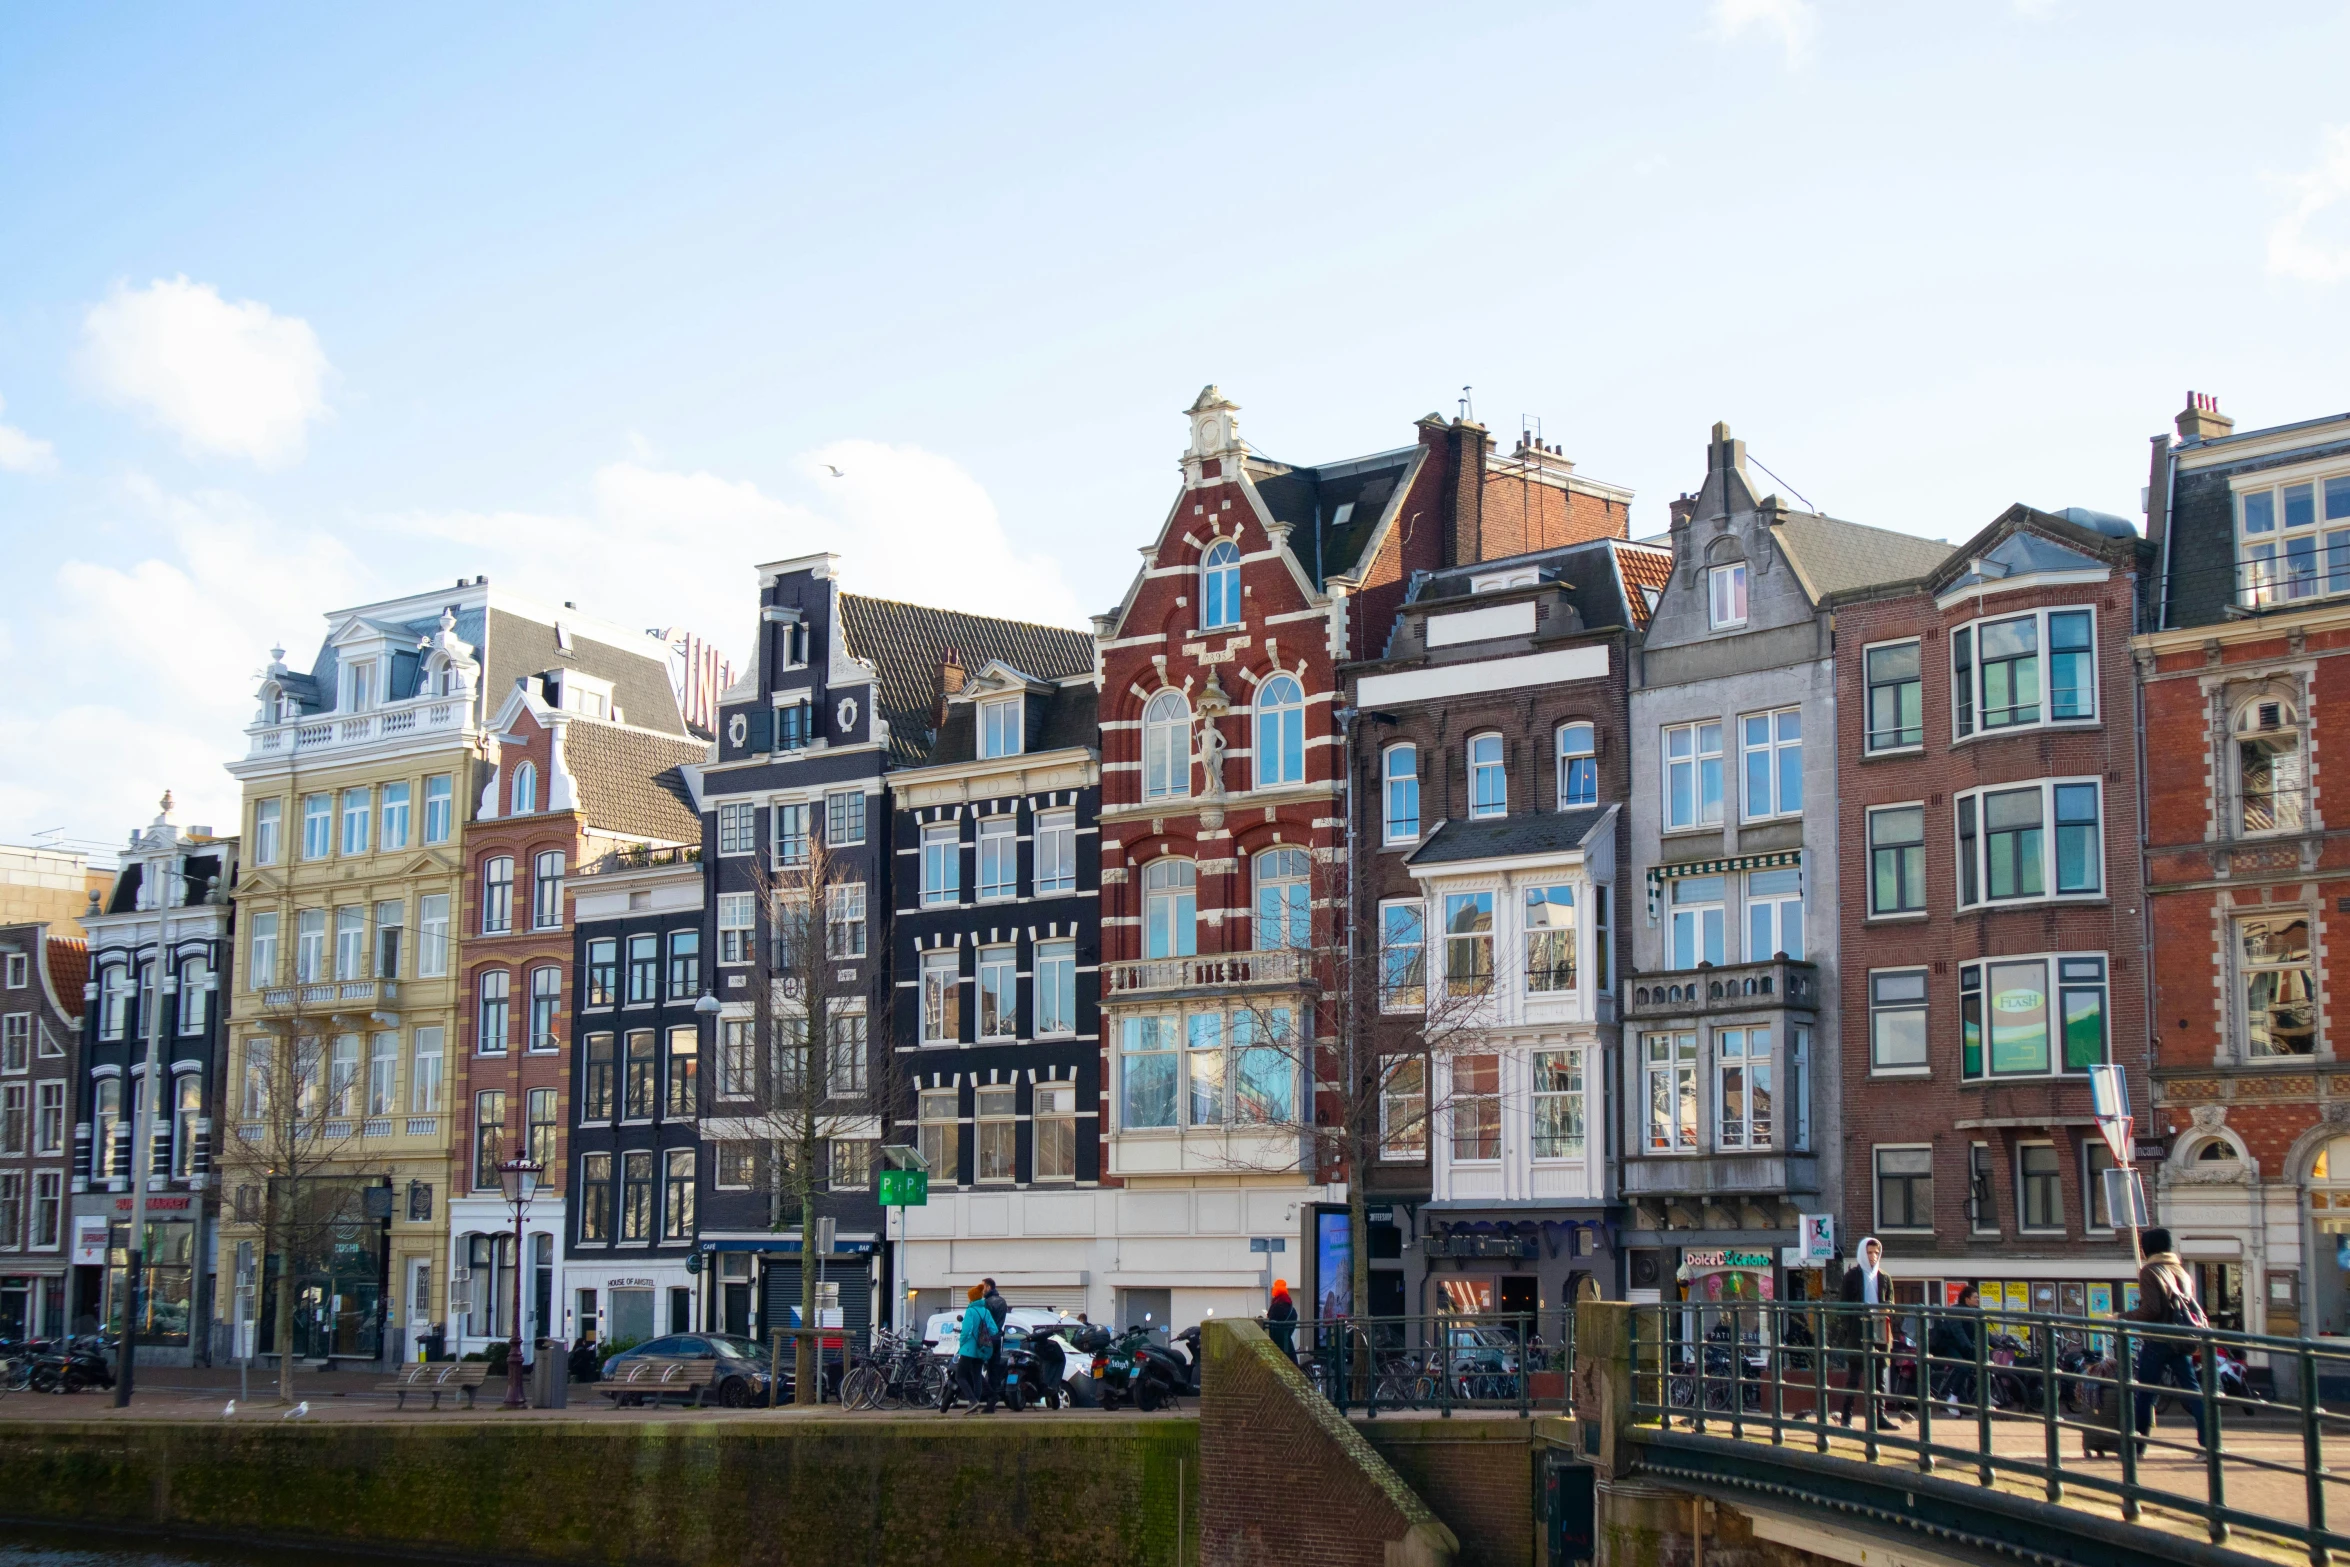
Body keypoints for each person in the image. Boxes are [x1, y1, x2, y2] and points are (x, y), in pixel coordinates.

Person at [2126, 1228, 2207, 1446]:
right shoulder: (2181, 1271)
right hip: (2181, 1340)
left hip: (2158, 1341)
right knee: (2193, 1391)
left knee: (2145, 1393)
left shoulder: (2149, 1272)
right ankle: (2209, 1442)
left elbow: (2151, 1310)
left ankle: (2137, 1445)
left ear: (2147, 1248)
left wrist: (2120, 1316)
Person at [1834, 1237, 1904, 1428]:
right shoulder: (1851, 1277)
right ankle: (1846, 1417)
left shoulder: (1885, 1277)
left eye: (1876, 1252)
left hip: (1880, 1330)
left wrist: (1886, 1309)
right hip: (1858, 1332)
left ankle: (1879, 1417)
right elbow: (1843, 1306)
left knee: (1879, 1377)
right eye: (1869, 1252)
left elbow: (1891, 1302)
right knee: (1854, 1377)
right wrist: (1851, 1327)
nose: (1873, 1256)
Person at [946, 1285, 998, 1415]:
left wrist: (962, 1343)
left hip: (968, 1349)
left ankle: (972, 1400)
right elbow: (994, 1330)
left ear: (971, 1298)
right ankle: (975, 1404)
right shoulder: (985, 1311)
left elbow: (966, 1331)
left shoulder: (970, 1311)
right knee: (977, 1377)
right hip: (981, 1349)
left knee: (960, 1375)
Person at [1928, 1286, 1979, 1407]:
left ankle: (1983, 1396)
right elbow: (1958, 1331)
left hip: (1961, 1346)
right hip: (1947, 1346)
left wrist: (1997, 1343)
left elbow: (1983, 1332)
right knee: (1964, 1368)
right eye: (1975, 1297)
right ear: (1967, 1299)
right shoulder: (1955, 1311)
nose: (1978, 1300)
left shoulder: (1975, 1313)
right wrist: (1969, 1345)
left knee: (1983, 1364)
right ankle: (1953, 1397)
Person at [1264, 1280, 1299, 1358]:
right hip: (1286, 1339)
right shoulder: (1288, 1303)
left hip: (1278, 1340)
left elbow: (1270, 1319)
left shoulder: (1277, 1304)